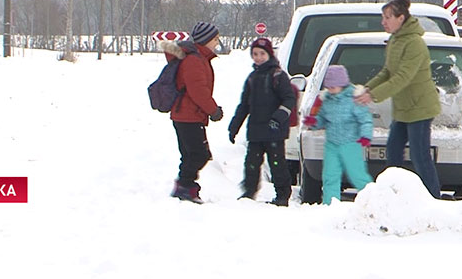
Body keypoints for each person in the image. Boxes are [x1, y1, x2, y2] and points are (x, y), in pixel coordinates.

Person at [355, 0, 442, 199]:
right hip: (403, 109)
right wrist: (368, 89)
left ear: (401, 18)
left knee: (420, 157)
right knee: (393, 153)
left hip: (419, 108)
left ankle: (434, 201)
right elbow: (388, 72)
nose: (383, 22)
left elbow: (403, 77)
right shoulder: (395, 40)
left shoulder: (414, 43)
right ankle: (392, 198)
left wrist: (374, 96)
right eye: (383, 17)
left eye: (387, 17)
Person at [160, 21, 224, 204]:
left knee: (191, 154)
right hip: (187, 115)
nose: (217, 43)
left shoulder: (198, 57)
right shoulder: (194, 60)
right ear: (205, 40)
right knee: (199, 154)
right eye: (215, 39)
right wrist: (213, 110)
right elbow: (198, 90)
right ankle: (185, 186)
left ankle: (185, 188)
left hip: (187, 114)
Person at [228, 37, 296, 206]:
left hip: (274, 130)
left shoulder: (278, 75)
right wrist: (234, 126)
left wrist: (279, 117)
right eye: (255, 54)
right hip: (256, 130)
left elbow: (289, 99)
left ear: (269, 54)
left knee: (277, 164)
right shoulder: (252, 78)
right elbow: (244, 105)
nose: (258, 57)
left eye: (262, 54)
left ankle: (282, 195)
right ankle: (249, 192)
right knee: (251, 162)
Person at [303, 65, 373, 205]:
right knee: (330, 175)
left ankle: (372, 201)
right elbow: (323, 119)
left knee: (357, 175)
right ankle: (330, 204)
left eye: (334, 87)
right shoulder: (327, 100)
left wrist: (365, 136)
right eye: (328, 87)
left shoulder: (354, 99)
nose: (331, 90)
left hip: (351, 143)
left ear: (342, 84)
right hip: (332, 144)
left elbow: (365, 119)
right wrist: (314, 122)